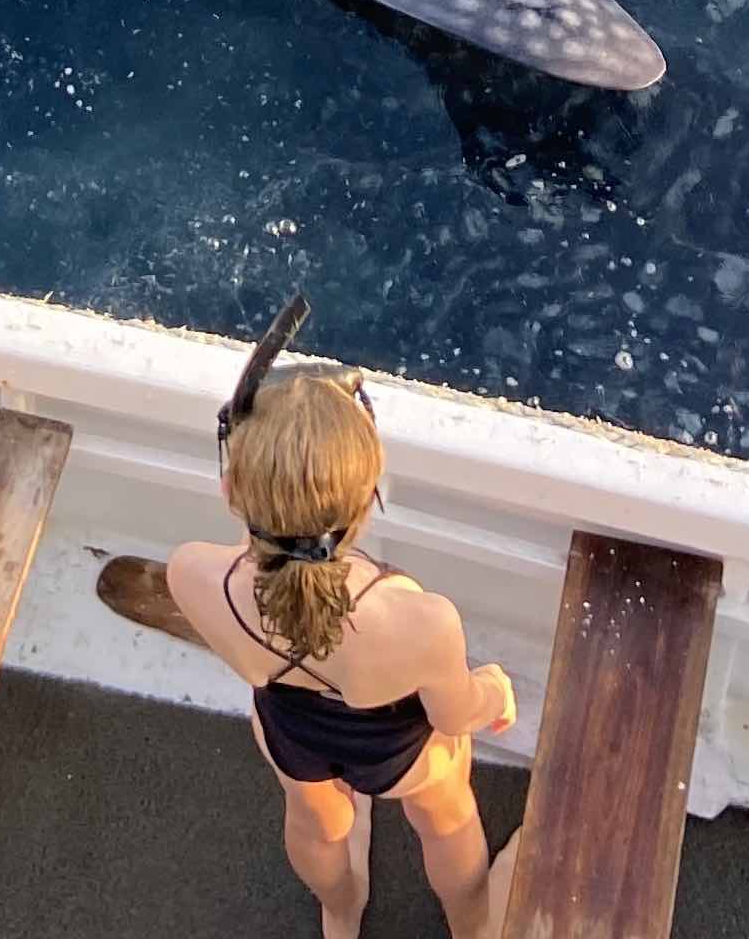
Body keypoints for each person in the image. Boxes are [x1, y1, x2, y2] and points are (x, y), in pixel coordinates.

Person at [164, 318, 515, 939]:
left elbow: (261, 621)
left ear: (228, 490)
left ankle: (341, 913)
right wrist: (493, 687)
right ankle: (473, 926)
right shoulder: (418, 619)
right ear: (368, 500)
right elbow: (455, 715)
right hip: (397, 753)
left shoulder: (192, 573)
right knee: (448, 817)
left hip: (293, 735)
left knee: (316, 823)